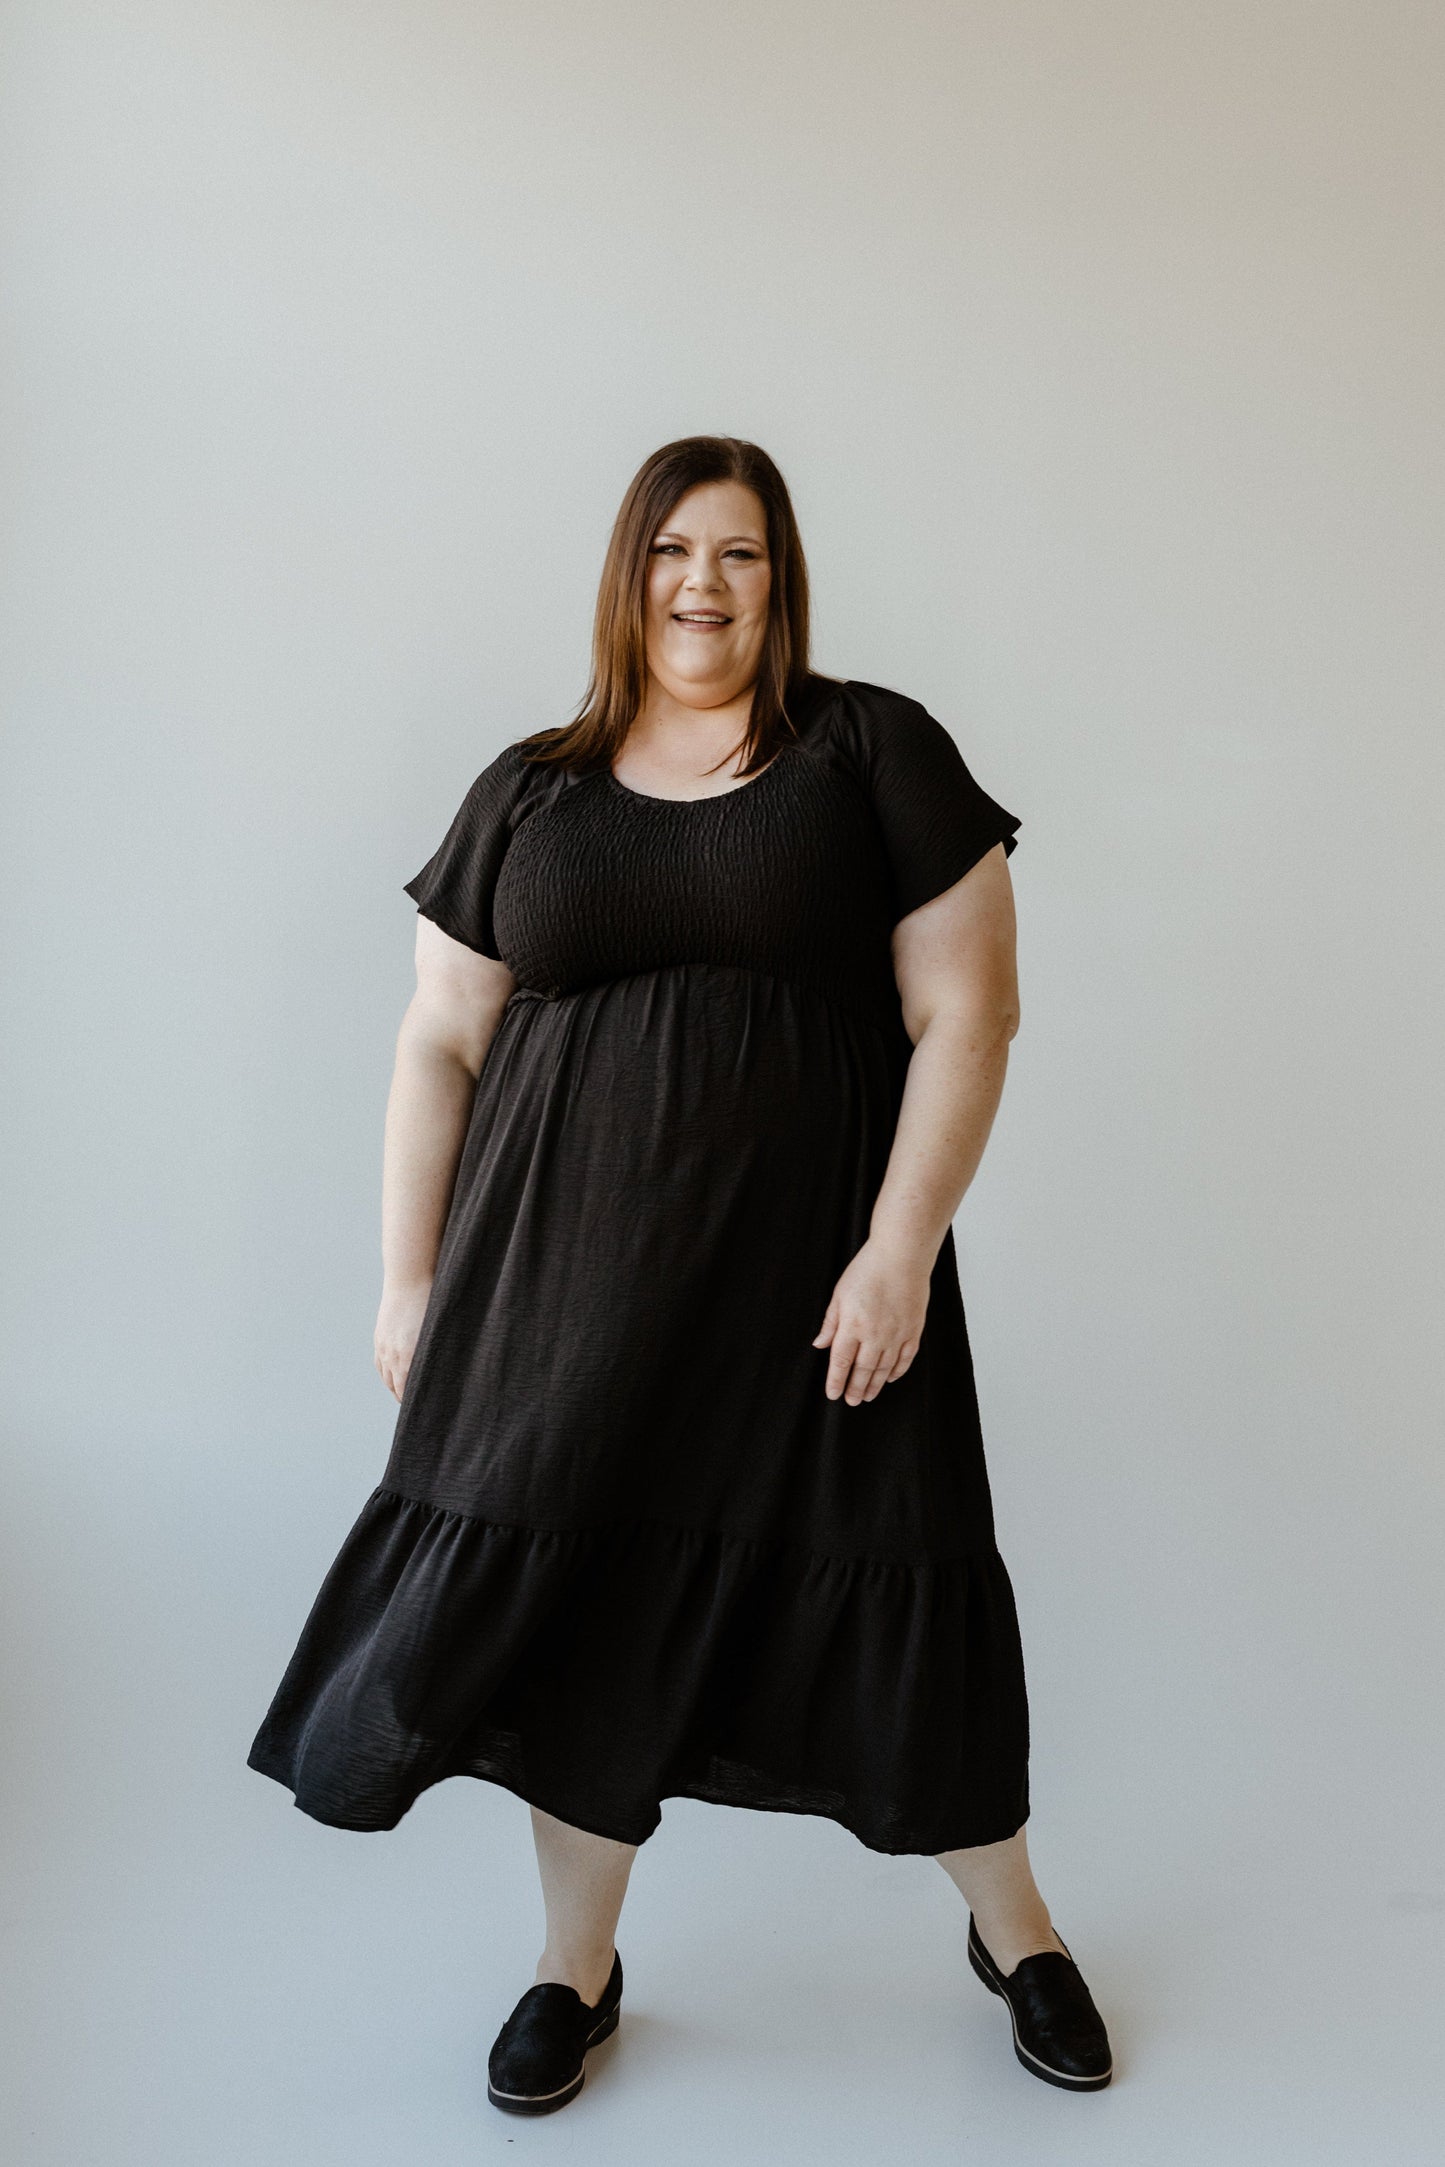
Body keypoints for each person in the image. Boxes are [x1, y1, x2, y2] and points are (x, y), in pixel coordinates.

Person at [248, 435, 1113, 2108]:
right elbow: (438, 1043)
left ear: (778, 580)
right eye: (670, 550)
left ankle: (1017, 1931)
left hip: (812, 1304)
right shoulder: (532, 788)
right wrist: (407, 1282)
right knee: (583, 1613)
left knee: (895, 1583)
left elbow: (966, 1015)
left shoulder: (868, 750)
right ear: (625, 572)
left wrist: (898, 1250)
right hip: (558, 1302)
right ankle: (576, 1970)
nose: (700, 583)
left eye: (737, 553)